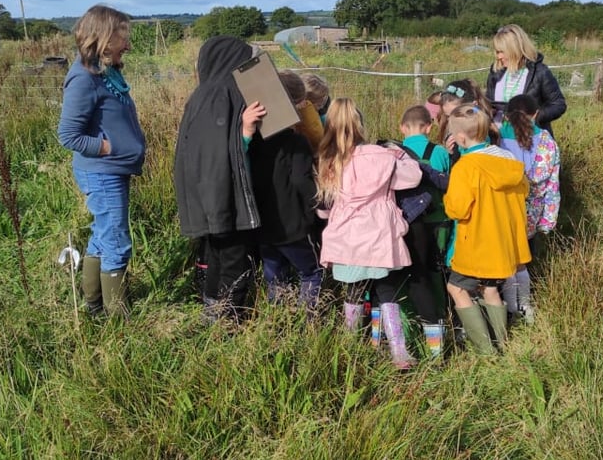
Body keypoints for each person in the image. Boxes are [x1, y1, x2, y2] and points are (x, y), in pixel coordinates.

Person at [316, 97, 423, 369]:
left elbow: (323, 210)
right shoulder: (381, 156)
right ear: (360, 124)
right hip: (379, 236)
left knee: (353, 293)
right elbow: (413, 178)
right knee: (387, 292)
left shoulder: (328, 159)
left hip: (345, 238)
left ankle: (349, 346)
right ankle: (399, 352)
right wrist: (399, 154)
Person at [57, 4, 144, 318]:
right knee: (117, 241)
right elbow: (68, 135)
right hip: (102, 172)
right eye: (123, 37)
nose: (128, 45)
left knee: (103, 234)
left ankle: (94, 305)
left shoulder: (106, 73)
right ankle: (117, 317)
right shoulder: (83, 78)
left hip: (112, 170)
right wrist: (108, 148)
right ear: (105, 38)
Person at [173, 35, 263, 322]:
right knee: (235, 260)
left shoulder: (202, 94)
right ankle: (230, 320)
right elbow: (220, 152)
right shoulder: (224, 95)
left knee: (216, 256)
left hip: (208, 195)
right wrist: (247, 130)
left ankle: (212, 314)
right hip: (224, 195)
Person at [443, 105, 530, 355]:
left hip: (476, 243)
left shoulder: (465, 167)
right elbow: (522, 192)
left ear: (460, 138)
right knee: (490, 288)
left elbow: (457, 210)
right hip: (503, 241)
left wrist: (447, 200)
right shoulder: (508, 160)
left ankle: (485, 351)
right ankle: (502, 344)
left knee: (457, 288)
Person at [249, 71, 324, 310]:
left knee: (276, 278)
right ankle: (308, 322)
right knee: (311, 272)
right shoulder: (295, 142)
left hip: (264, 225)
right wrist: (319, 202)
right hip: (294, 227)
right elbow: (302, 181)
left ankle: (278, 321)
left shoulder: (254, 141)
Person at [499, 94, 561, 325]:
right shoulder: (547, 142)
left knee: (506, 260)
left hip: (504, 208)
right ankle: (525, 306)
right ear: (536, 114)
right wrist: (548, 219)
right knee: (522, 260)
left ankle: (511, 309)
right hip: (532, 213)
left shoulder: (497, 140)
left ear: (506, 115)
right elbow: (553, 185)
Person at [398, 105, 452, 357]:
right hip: (438, 221)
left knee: (412, 272)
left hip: (410, 222)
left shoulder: (397, 152)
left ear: (402, 128)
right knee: (436, 269)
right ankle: (441, 317)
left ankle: (410, 323)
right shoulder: (439, 151)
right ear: (429, 127)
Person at [485, 24, 567, 136]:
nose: (498, 57)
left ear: (514, 49)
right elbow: (488, 103)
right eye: (497, 52)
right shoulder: (496, 72)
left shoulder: (540, 72)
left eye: (501, 52)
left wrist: (532, 118)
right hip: (500, 140)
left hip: (529, 139)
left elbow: (558, 104)